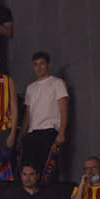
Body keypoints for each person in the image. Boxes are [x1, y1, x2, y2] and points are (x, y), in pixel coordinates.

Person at [20, 52, 70, 184]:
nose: (39, 67)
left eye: (42, 63)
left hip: (49, 132)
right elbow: (27, 114)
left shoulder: (57, 83)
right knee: (30, 171)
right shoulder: (30, 88)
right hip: (32, 134)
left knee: (49, 171)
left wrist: (61, 133)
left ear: (48, 65)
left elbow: (63, 109)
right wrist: (21, 135)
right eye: (35, 64)